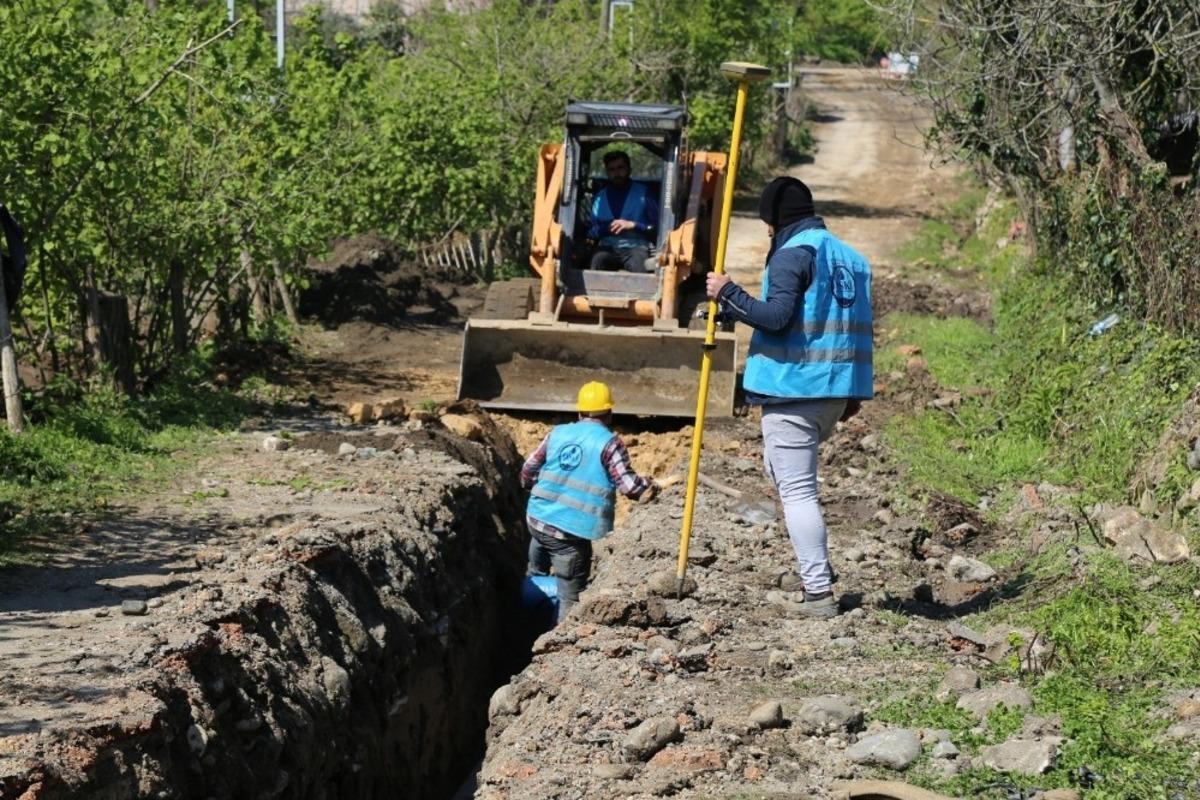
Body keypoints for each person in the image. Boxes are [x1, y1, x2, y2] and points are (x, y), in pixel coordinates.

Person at [705, 176, 873, 619]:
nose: (765, 230)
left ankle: (818, 593)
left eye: (766, 222)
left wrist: (727, 293)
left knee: (798, 492)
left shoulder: (791, 255)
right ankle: (815, 566)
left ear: (775, 221)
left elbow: (776, 318)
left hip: (794, 389)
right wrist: (852, 391)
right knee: (782, 474)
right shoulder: (851, 259)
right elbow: (849, 330)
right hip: (833, 391)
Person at [520, 381, 660, 622]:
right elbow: (630, 487)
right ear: (609, 413)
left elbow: (527, 471)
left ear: (579, 412)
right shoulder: (610, 443)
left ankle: (524, 623)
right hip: (569, 537)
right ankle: (557, 640)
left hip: (537, 520)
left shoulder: (557, 433)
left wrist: (542, 494)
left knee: (535, 574)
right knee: (569, 598)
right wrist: (649, 485)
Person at [587, 151, 659, 272]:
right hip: (608, 247)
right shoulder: (599, 198)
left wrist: (633, 225)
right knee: (598, 260)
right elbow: (591, 232)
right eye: (612, 169)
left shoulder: (645, 194)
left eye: (620, 168)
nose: (616, 173)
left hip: (636, 247)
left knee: (640, 265)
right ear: (607, 172)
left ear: (629, 170)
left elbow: (657, 228)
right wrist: (607, 228)